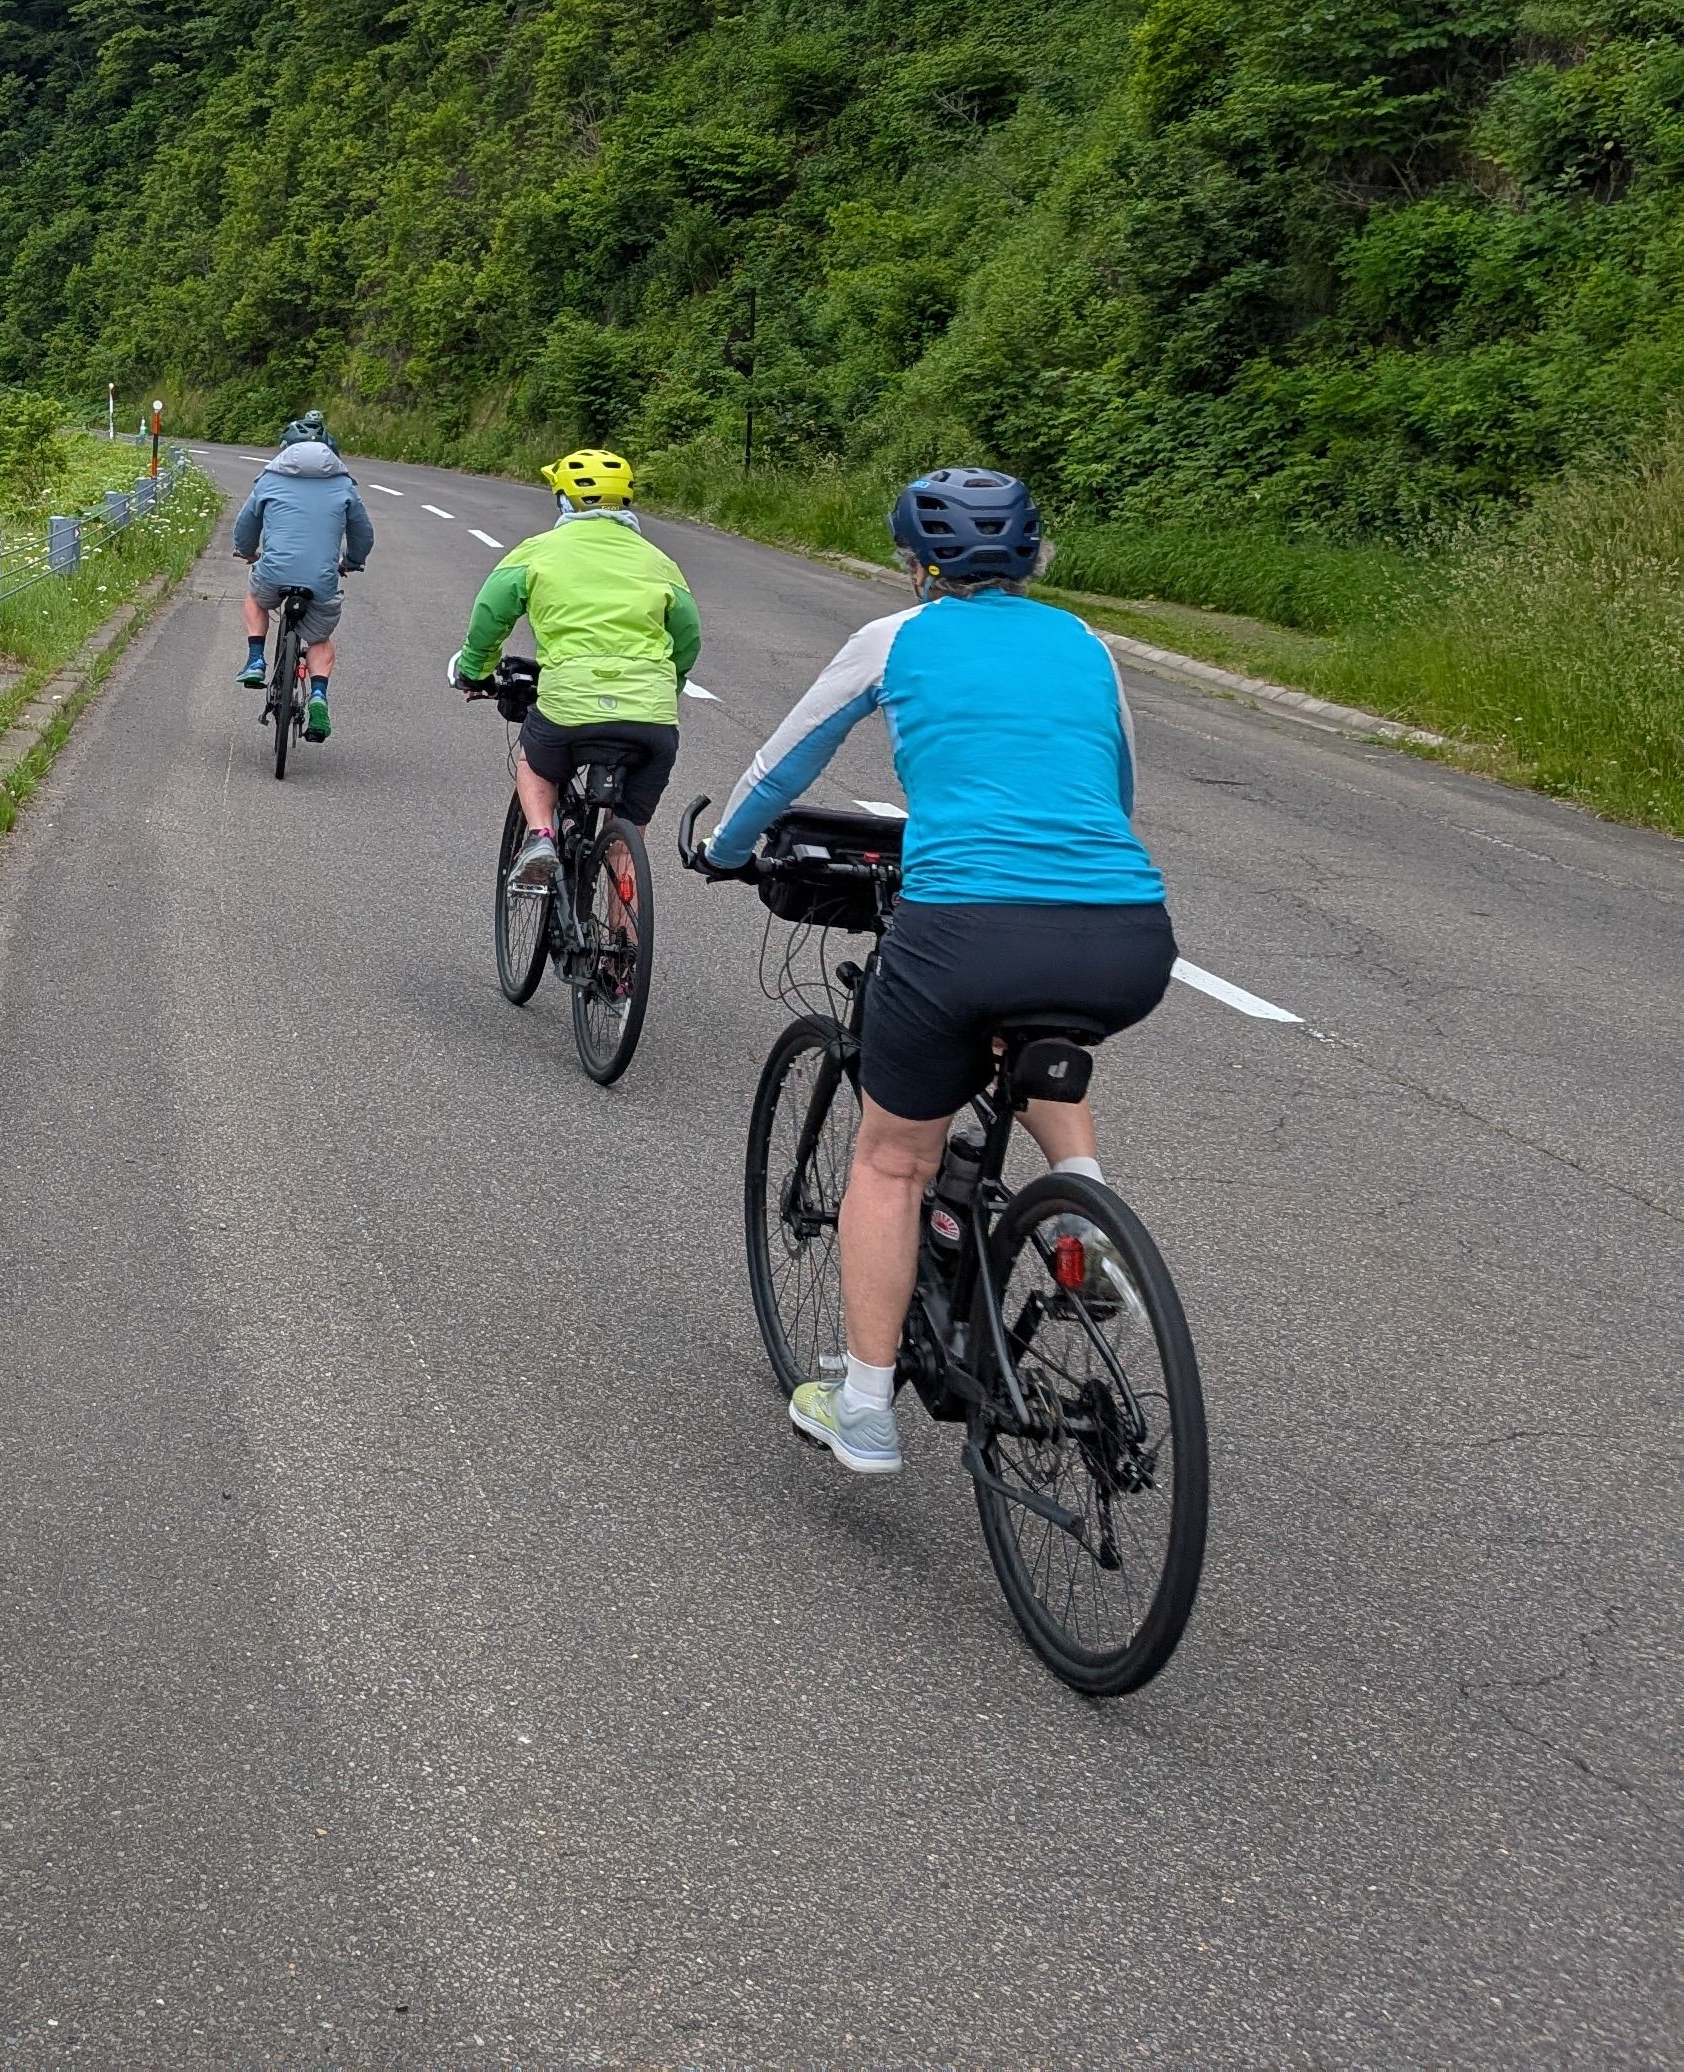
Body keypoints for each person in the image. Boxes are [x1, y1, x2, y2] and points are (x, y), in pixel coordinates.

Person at [702, 466, 1175, 1477]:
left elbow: (784, 765)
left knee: (892, 1160)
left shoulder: (897, 638)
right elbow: (1117, 788)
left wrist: (727, 848)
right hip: (1126, 932)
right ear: (1035, 556)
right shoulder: (1088, 644)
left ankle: (865, 1411)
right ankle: (1084, 1219)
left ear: (915, 564)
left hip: (964, 926)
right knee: (1026, 1035)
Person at [451, 449, 700, 924]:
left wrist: (477, 671)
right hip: (650, 715)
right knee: (629, 834)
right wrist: (672, 684)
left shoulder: (538, 551)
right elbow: (687, 635)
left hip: (570, 705)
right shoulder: (659, 561)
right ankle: (621, 965)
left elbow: (490, 614)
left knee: (535, 761)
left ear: (564, 500)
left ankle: (542, 837)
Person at [230, 417, 374, 736]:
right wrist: (351, 562)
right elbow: (363, 534)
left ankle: (255, 660)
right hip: (321, 579)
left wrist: (248, 552)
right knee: (319, 639)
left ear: (285, 449)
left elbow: (245, 527)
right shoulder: (343, 483)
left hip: (273, 571)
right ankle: (319, 697)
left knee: (256, 599)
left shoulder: (269, 479)